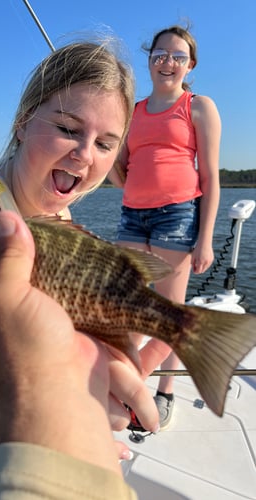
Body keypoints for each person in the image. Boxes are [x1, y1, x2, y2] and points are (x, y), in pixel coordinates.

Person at [0, 39, 167, 499]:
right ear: (22, 122)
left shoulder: (64, 227)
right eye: (66, 127)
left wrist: (92, 415)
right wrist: (55, 411)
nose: (85, 153)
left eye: (104, 142)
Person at [0, 209, 147, 499]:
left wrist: (79, 435)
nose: (84, 159)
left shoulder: (62, 215)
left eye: (107, 157)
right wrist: (67, 420)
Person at [108, 25, 221, 430]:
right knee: (127, 307)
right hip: (132, 216)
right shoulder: (133, 111)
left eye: (177, 56)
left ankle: (165, 391)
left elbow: (209, 176)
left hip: (177, 215)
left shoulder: (198, 106)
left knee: (170, 313)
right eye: (160, 54)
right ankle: (125, 384)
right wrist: (135, 183)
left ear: (189, 65)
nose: (167, 62)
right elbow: (117, 168)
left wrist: (204, 238)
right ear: (150, 60)